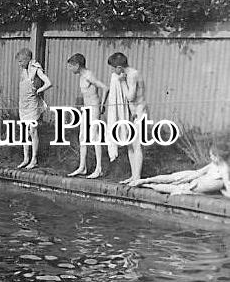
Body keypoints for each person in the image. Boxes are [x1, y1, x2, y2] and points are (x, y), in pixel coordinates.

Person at [102, 52, 146, 186]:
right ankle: (133, 176)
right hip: (132, 113)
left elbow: (130, 97)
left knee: (137, 145)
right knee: (130, 146)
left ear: (119, 67)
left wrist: (121, 83)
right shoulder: (127, 74)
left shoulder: (133, 74)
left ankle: (137, 177)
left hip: (139, 113)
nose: (114, 72)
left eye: (114, 68)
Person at [132, 139, 230, 196]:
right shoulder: (213, 164)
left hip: (193, 187)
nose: (210, 157)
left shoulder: (224, 170)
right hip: (195, 179)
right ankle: (146, 180)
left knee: (173, 188)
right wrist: (183, 179)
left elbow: (227, 186)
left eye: (212, 155)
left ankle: (149, 185)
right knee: (173, 177)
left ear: (219, 157)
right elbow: (198, 172)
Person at [66, 53, 107, 178]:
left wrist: (102, 105)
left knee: (94, 136)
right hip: (86, 109)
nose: (70, 69)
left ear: (77, 65)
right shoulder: (81, 75)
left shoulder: (88, 75)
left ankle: (99, 168)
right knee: (82, 136)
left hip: (94, 108)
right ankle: (82, 167)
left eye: (71, 66)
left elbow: (105, 87)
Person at [15, 48, 52, 170]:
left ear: (27, 59)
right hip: (23, 104)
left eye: (21, 61)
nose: (19, 64)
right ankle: (26, 158)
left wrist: (39, 90)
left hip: (32, 104)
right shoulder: (23, 71)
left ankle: (34, 159)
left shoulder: (35, 69)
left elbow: (48, 83)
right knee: (25, 132)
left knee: (33, 131)